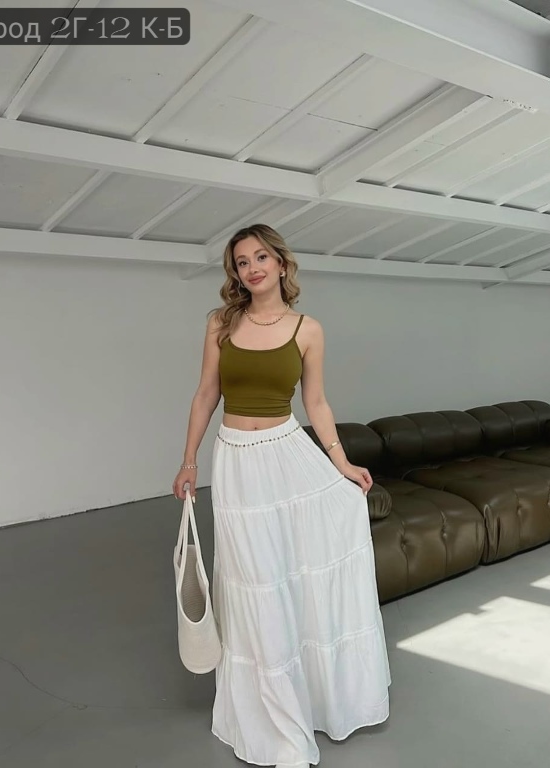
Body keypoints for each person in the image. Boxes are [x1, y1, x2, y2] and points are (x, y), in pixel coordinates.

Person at [172, 224, 390, 768]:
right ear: (236, 273)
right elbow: (206, 393)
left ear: (281, 264)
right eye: (242, 262)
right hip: (236, 461)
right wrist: (188, 460)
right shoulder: (220, 323)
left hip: (286, 453)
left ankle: (310, 697)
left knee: (290, 573)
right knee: (253, 581)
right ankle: (269, 714)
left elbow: (316, 403)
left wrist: (341, 463)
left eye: (261, 257)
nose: (252, 268)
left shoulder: (307, 329)